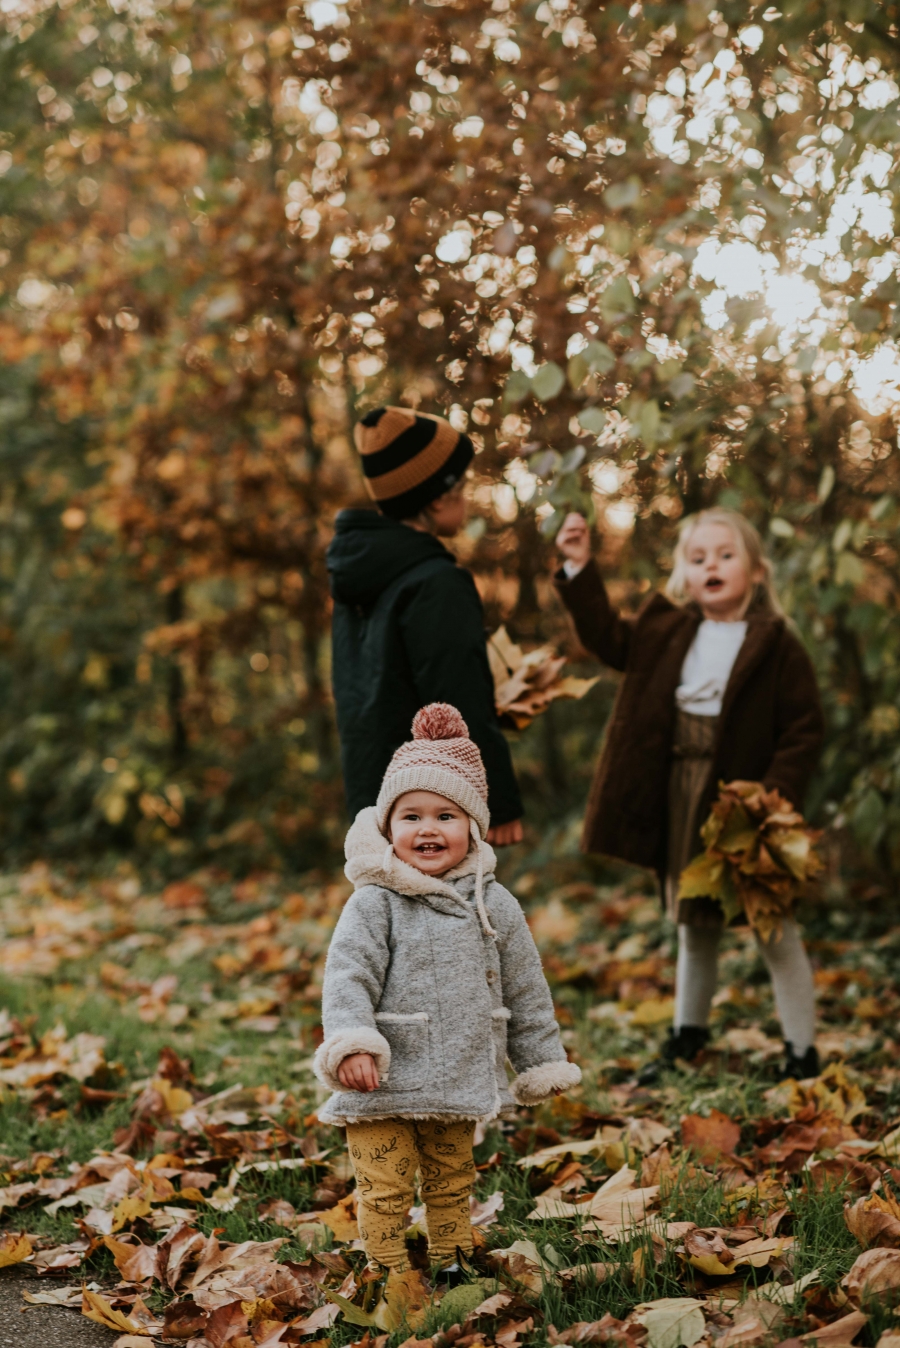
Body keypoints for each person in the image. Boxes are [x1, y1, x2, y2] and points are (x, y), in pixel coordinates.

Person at [554, 507, 824, 1082]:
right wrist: (579, 569)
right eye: (698, 558)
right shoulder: (664, 629)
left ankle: (803, 1051)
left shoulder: (776, 644)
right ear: (684, 574)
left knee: (772, 922)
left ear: (755, 570)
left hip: (742, 803)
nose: (712, 565)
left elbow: (803, 728)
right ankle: (688, 1035)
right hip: (679, 791)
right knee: (692, 921)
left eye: (726, 555)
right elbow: (605, 637)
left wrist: (772, 796)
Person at [313, 702, 581, 1274]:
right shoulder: (374, 901)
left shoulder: (495, 904)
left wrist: (540, 1060)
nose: (428, 829)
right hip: (381, 1077)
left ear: (473, 828)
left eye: (446, 816)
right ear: (388, 827)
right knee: (384, 1180)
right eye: (411, 816)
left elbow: (525, 988)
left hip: (458, 1073)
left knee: (452, 1175)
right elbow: (348, 976)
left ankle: (452, 1256)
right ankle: (385, 1267)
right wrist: (353, 1041)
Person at [327, 405, 523, 847]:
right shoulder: (437, 583)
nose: (469, 495)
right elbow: (459, 695)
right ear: (438, 496)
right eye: (464, 485)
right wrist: (500, 802)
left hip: (380, 801)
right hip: (438, 806)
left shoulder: (358, 578)